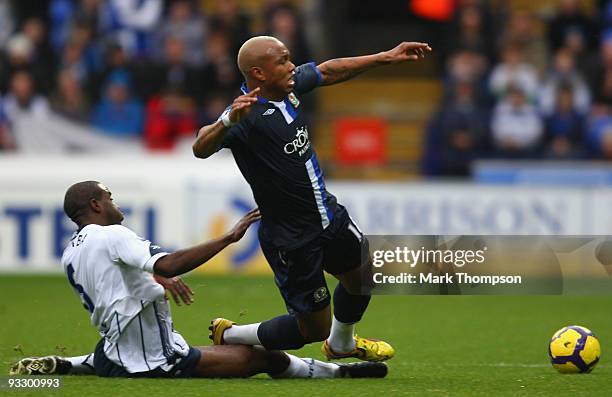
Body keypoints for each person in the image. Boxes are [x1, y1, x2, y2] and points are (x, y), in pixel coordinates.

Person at [192, 36, 431, 361]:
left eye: (290, 59)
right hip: (292, 236)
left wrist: (383, 57)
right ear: (259, 73)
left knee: (364, 276)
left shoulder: (287, 87)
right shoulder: (244, 116)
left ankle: (342, 343)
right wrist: (226, 120)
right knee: (312, 329)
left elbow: (327, 72)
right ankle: (231, 333)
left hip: (328, 215)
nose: (292, 66)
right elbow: (200, 147)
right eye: (283, 61)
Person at [10, 181, 386, 379]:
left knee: (111, 354)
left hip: (114, 349)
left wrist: (155, 279)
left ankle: (69, 363)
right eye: (110, 197)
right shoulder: (112, 235)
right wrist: (228, 237)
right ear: (96, 205)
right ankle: (340, 371)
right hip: (157, 359)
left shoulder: (73, 250)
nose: (116, 203)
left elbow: (114, 285)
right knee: (263, 360)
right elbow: (171, 263)